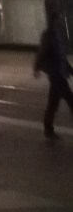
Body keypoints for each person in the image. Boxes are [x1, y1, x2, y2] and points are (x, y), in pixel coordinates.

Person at [33, 10, 73, 141]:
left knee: (53, 102)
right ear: (54, 20)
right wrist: (36, 67)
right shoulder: (49, 35)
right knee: (70, 100)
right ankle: (48, 129)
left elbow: (61, 56)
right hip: (55, 73)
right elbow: (42, 52)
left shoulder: (56, 34)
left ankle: (48, 129)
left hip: (59, 72)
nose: (61, 21)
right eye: (59, 19)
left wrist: (70, 69)